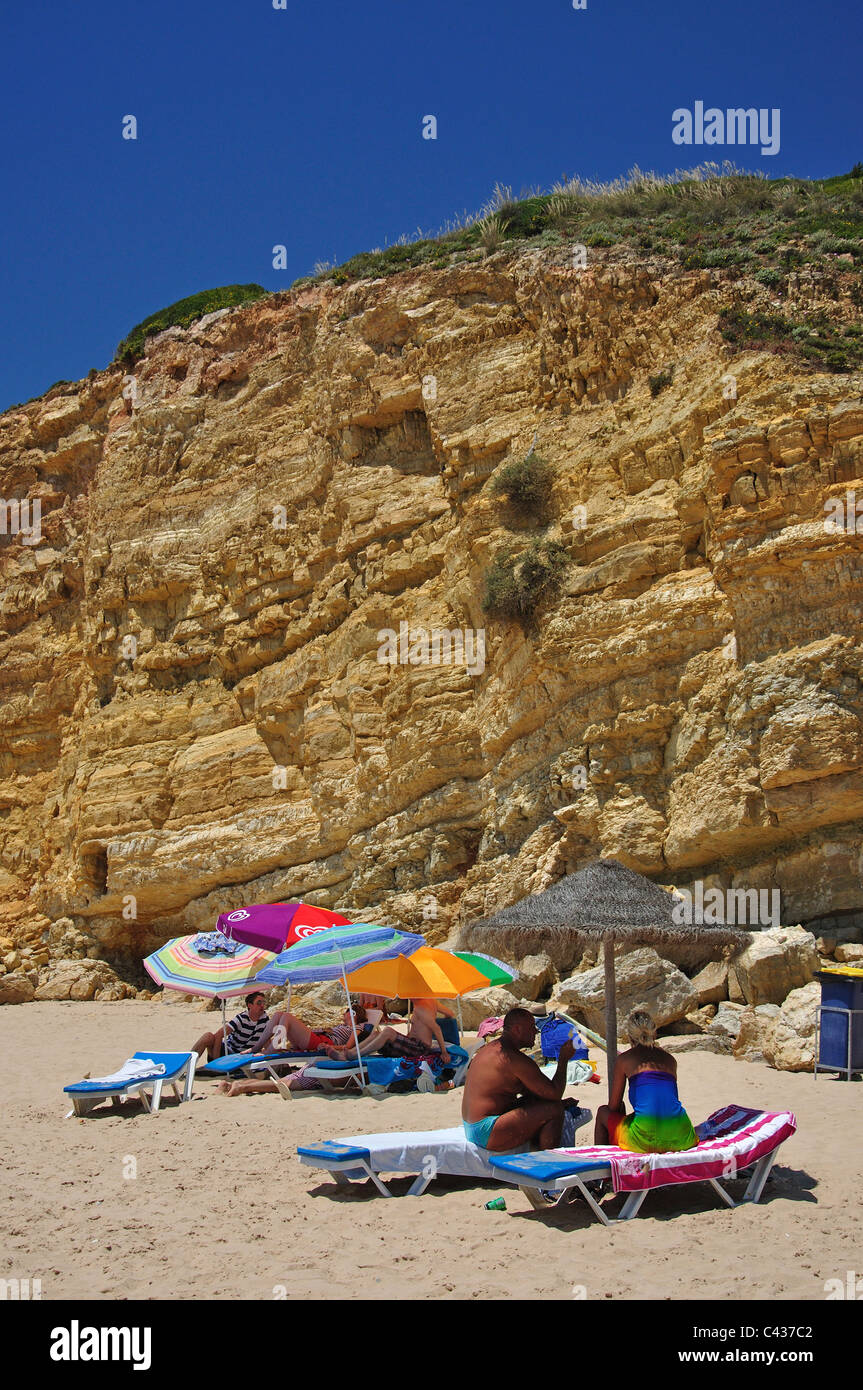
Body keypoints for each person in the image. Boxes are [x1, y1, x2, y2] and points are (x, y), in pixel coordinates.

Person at [461, 1006, 575, 1151]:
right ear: (517, 1030)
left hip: (472, 1124)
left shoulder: (491, 1049)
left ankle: (537, 1153)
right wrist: (563, 1060)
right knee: (555, 1110)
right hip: (486, 1130)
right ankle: (548, 1163)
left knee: (544, 1103)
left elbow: (538, 1093)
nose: (536, 1031)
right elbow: (554, 1093)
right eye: (532, 1027)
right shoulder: (514, 1059)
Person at [594, 1008, 697, 1152]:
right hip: (681, 1135)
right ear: (654, 1033)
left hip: (644, 1139)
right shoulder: (670, 1060)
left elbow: (613, 1106)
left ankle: (602, 1165)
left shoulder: (624, 1060)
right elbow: (664, 1104)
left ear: (630, 1037)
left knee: (603, 1112)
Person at [326, 1001, 451, 1064]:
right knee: (375, 1034)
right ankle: (350, 1054)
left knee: (388, 1031)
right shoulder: (431, 1003)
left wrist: (444, 1052)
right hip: (411, 1045)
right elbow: (451, 1014)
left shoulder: (422, 1008)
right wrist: (445, 1020)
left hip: (419, 1048)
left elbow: (436, 1029)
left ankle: (353, 1056)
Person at [256, 1004, 370, 1054]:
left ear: (353, 1013)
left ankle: (272, 1047)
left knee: (286, 1016)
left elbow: (348, 1046)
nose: (343, 1014)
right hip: (317, 1038)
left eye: (346, 1011)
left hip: (322, 1042)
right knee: (278, 1015)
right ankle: (257, 1046)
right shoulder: (343, 1026)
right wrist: (327, 1030)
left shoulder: (357, 1027)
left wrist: (329, 1046)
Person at [191, 992, 270, 1062]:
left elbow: (267, 1040)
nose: (262, 1005)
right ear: (250, 1005)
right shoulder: (241, 1018)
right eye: (259, 1003)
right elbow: (219, 1034)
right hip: (227, 1051)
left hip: (245, 1055)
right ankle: (187, 1065)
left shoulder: (265, 1019)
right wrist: (217, 1061)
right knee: (208, 1036)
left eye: (264, 1002)